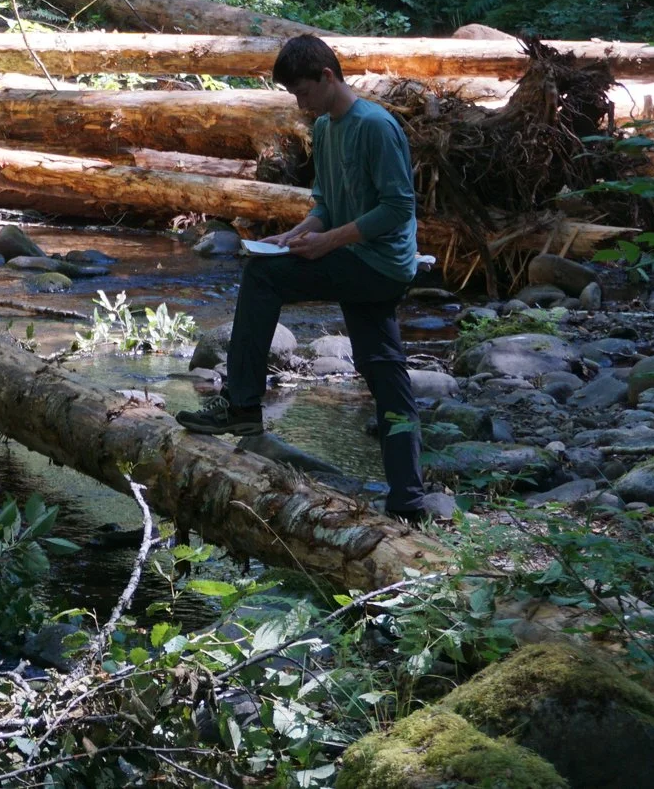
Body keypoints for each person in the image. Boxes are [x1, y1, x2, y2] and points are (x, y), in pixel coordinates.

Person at [175, 36, 452, 522]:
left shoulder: (376, 126)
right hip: (357, 261)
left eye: (302, 92)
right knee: (384, 371)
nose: (299, 103)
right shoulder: (325, 129)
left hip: (381, 264)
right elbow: (326, 205)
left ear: (328, 76)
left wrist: (329, 243)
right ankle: (408, 500)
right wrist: (297, 234)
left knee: (264, 278)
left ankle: (240, 403)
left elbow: (398, 207)